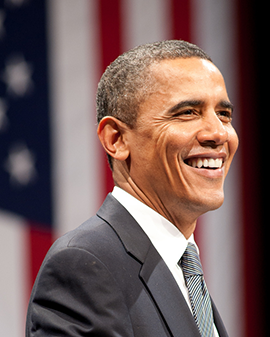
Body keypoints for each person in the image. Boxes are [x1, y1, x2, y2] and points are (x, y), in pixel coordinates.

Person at [26, 40, 238, 337]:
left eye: (224, 115)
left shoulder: (184, 269)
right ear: (116, 140)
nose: (218, 133)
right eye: (188, 112)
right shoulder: (84, 266)